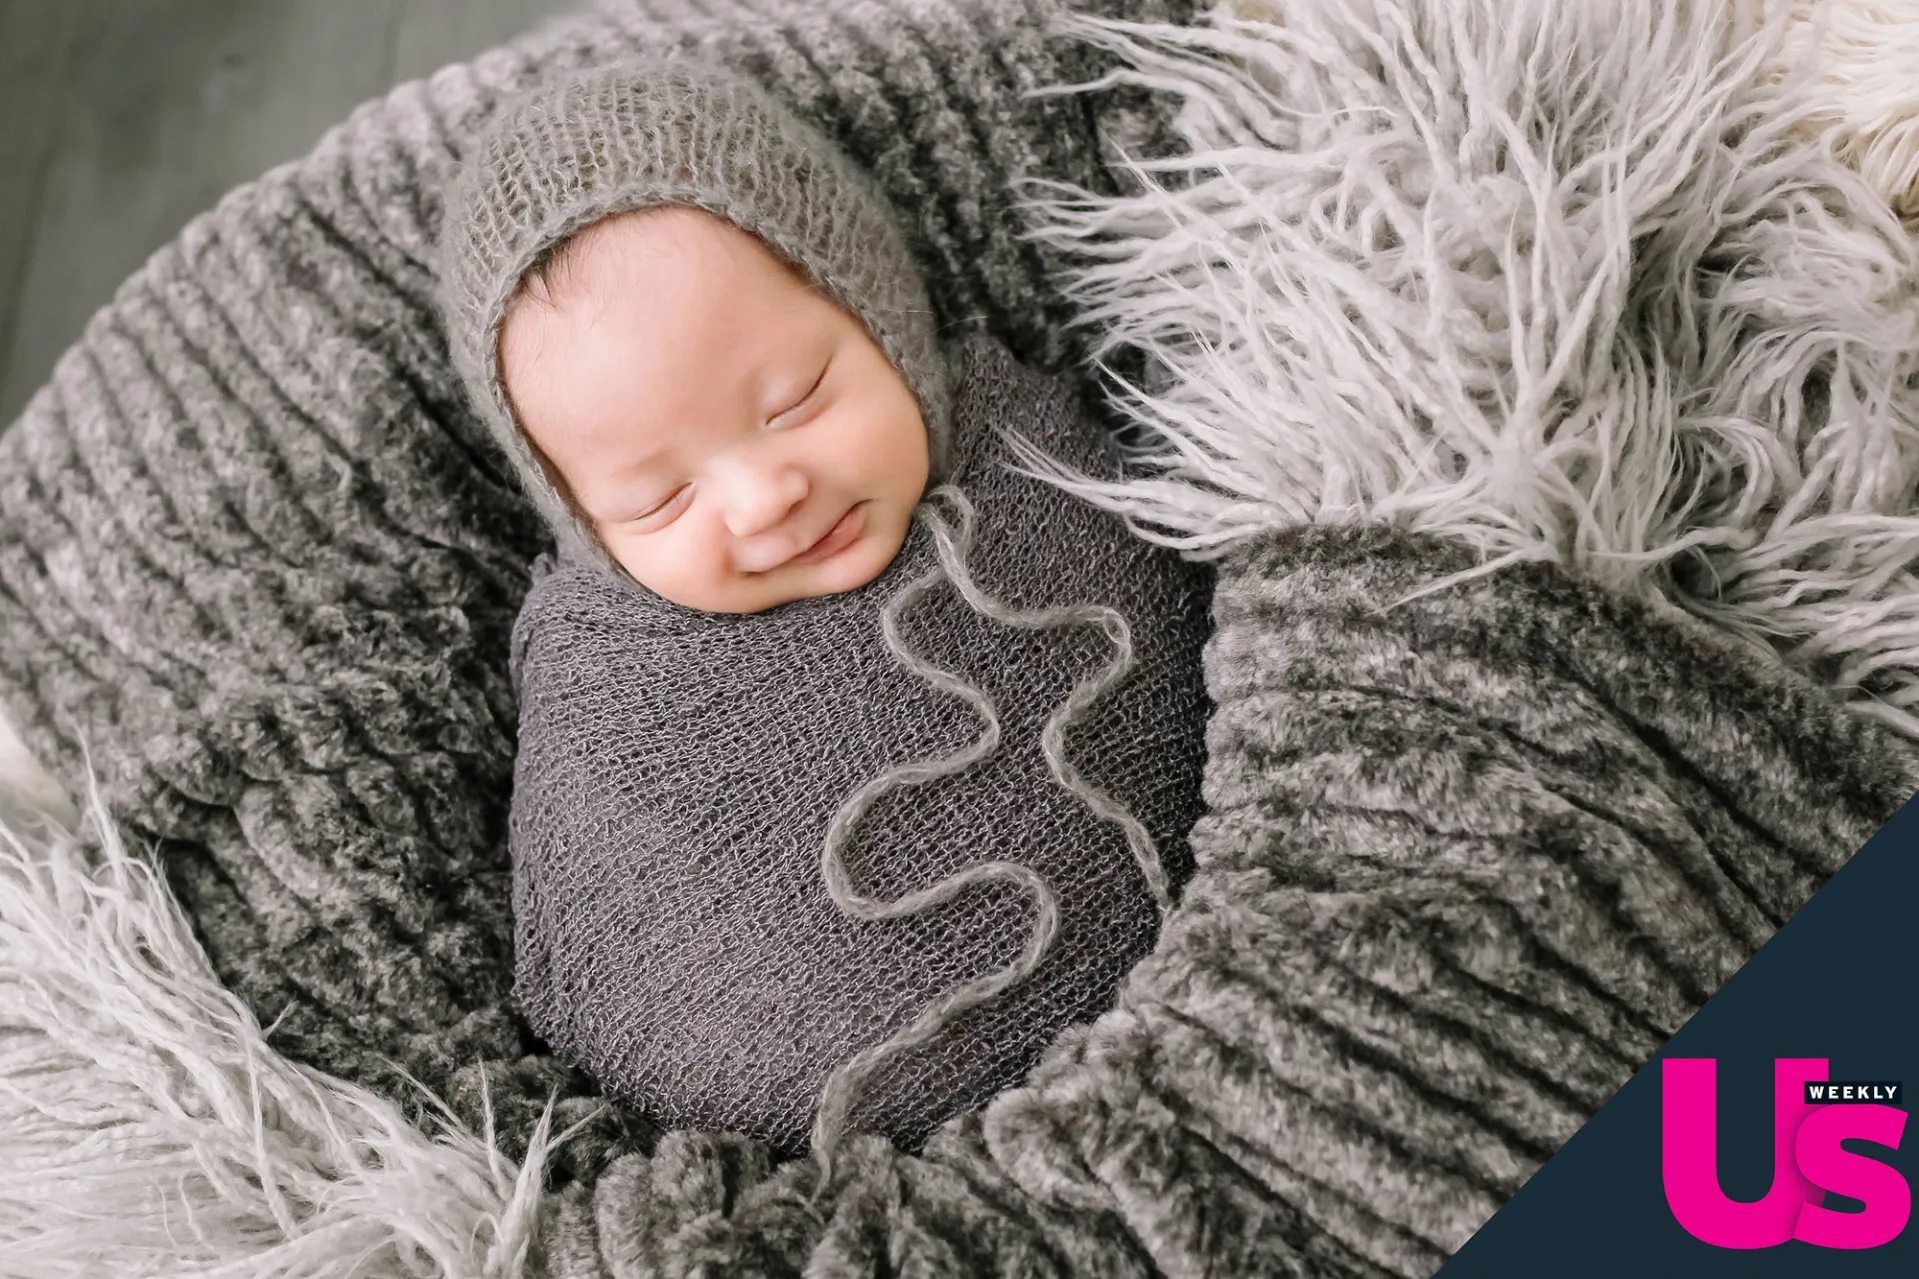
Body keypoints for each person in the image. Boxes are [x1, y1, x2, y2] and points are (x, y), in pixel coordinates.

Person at [437, 55, 1214, 1156]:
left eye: (797, 399)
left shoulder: (1030, 457)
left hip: (1218, 1005)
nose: (764, 499)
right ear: (584, 527)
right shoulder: (603, 685)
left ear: (876, 311)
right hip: (873, 1183)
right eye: (660, 499)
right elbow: (603, 940)